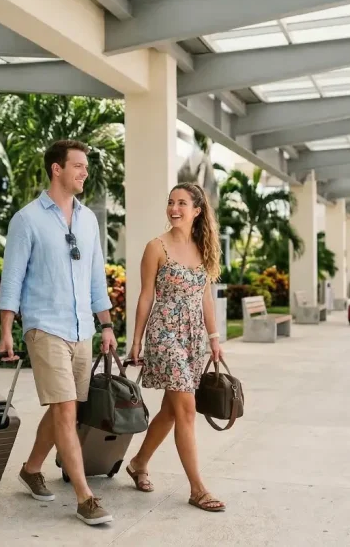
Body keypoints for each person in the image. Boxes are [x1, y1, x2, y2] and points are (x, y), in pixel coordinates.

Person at [0, 139, 116, 526]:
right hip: (44, 326)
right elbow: (12, 278)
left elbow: (96, 276)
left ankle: (32, 469)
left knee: (66, 406)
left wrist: (107, 324)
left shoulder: (88, 219)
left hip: (82, 327)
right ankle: (86, 498)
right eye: (77, 165)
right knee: (65, 408)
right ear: (56, 169)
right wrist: (7, 332)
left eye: (85, 166)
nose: (84, 172)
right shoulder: (27, 219)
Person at [124, 182, 227, 513]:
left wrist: (214, 338)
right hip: (164, 333)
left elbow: (205, 297)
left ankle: (139, 463)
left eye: (182, 203)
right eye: (171, 202)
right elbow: (145, 296)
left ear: (197, 211)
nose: (174, 208)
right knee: (185, 408)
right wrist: (136, 340)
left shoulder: (203, 248)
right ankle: (197, 489)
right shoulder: (156, 247)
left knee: (171, 410)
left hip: (193, 337)